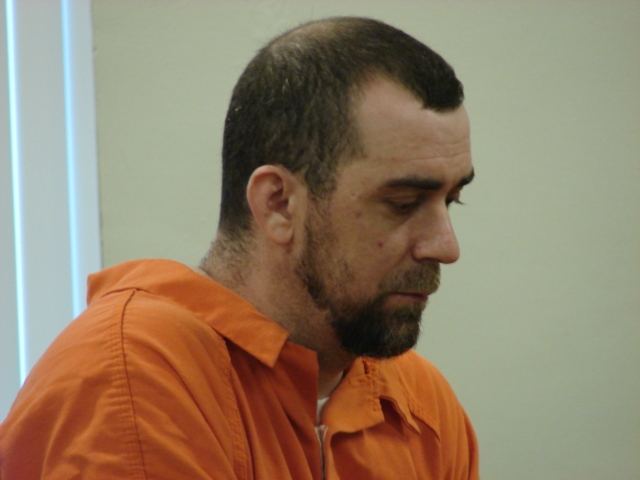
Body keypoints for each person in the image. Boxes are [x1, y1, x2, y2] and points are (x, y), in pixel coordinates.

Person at [0, 16, 478, 479]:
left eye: (451, 200)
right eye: (402, 203)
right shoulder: (131, 379)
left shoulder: (420, 403)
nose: (446, 246)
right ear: (278, 204)